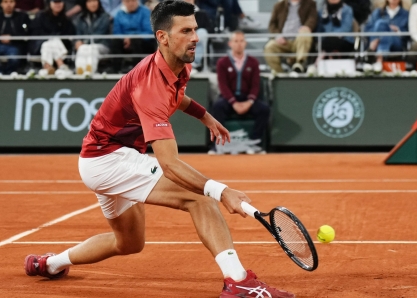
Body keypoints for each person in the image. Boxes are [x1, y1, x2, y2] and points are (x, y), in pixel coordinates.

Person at [23, 1, 294, 297]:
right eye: (186, 31)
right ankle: (238, 281)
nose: (195, 37)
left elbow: (177, 98)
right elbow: (171, 166)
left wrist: (205, 116)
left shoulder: (179, 62)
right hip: (108, 159)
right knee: (200, 198)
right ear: (163, 37)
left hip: (105, 158)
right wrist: (222, 191)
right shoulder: (149, 86)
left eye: (195, 29)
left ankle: (50, 264)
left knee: (128, 243)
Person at [210, 30, 269, 154]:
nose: (239, 44)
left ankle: (255, 143)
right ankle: (217, 145)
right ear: (230, 43)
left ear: (245, 43)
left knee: (264, 109)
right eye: (236, 41)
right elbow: (223, 85)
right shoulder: (222, 62)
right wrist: (233, 102)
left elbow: (255, 85)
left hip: (247, 99)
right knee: (217, 107)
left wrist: (249, 102)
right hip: (228, 99)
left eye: (241, 41)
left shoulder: (253, 62)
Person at [264, 0, 318, 73]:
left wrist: (307, 26)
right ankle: (280, 75)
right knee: (269, 47)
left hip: (300, 40)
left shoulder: (310, 3)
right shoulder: (279, 6)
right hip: (284, 42)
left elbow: (312, 18)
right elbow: (272, 24)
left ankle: (300, 63)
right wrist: (277, 36)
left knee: (304, 32)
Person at [29, 0, 76, 76]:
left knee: (50, 43)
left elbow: (69, 35)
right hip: (40, 46)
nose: (57, 5)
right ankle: (61, 64)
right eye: (55, 2)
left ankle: (47, 67)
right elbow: (36, 32)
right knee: (51, 41)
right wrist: (51, 38)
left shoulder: (66, 19)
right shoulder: (41, 17)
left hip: (60, 46)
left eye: (59, 2)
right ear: (50, 4)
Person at [0, 0, 30, 74]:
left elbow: (26, 32)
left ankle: (8, 73)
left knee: (14, 58)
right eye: (5, 2)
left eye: (11, 2)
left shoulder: (22, 16)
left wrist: (11, 37)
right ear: (1, 4)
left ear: (15, 3)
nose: (8, 4)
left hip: (14, 45)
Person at [111, 0, 155, 73]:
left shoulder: (145, 11)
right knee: (115, 42)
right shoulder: (119, 14)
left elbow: (149, 31)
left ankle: (137, 71)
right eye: (128, 1)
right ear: (123, 2)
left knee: (135, 40)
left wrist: (131, 37)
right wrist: (125, 39)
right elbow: (116, 32)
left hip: (143, 42)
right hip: (124, 42)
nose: (131, 3)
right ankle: (116, 70)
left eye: (133, 1)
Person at [364, 0, 409, 71]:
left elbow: (408, 33)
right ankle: (380, 59)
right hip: (381, 41)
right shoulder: (377, 12)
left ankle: (372, 48)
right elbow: (367, 29)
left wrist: (398, 30)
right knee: (382, 26)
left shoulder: (406, 14)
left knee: (382, 25)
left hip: (397, 43)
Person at [73, 0, 111, 74]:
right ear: (85, 4)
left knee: (91, 48)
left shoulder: (105, 17)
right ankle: (80, 71)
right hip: (86, 46)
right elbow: (78, 34)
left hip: (102, 45)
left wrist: (84, 42)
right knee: (82, 48)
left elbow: (100, 34)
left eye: (94, 1)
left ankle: (90, 72)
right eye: (90, 1)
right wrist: (77, 41)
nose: (93, 4)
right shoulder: (81, 18)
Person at [183, 0, 212, 70]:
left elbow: (210, 29)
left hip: (197, 40)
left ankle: (195, 63)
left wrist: (194, 33)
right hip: (183, 39)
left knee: (202, 32)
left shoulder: (202, 14)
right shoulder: (175, 15)